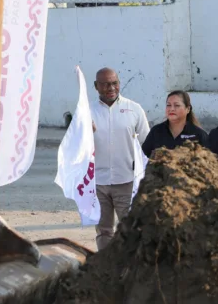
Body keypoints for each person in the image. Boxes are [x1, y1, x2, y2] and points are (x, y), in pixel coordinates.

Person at [90, 67, 149, 250]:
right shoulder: (86, 112)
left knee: (130, 229)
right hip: (98, 182)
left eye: (114, 83)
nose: (111, 88)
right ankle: (105, 264)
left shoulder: (134, 109)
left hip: (127, 181)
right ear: (96, 86)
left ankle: (130, 264)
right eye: (105, 84)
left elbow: (147, 144)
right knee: (104, 231)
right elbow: (73, 146)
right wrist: (84, 133)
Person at [142, 91, 209, 157]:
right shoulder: (156, 131)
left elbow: (209, 160)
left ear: (188, 109)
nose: (172, 109)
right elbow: (143, 157)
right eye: (168, 105)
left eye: (177, 105)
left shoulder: (199, 135)